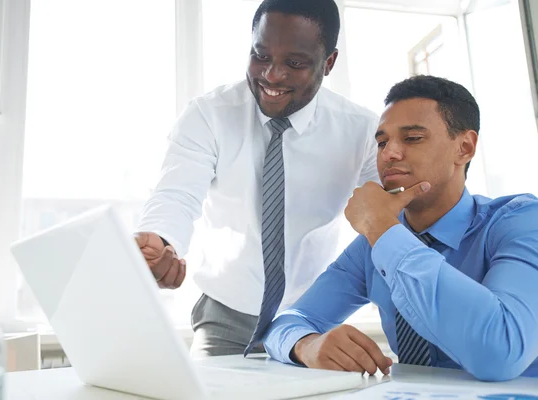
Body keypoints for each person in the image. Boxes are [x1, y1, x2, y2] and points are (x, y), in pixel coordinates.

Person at [134, 0, 380, 357]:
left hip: (311, 319)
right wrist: (160, 239)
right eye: (261, 55)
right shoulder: (210, 114)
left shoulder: (362, 131)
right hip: (225, 318)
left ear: (328, 63)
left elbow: (384, 222)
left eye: (294, 63)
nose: (272, 75)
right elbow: (176, 195)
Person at [263, 75, 538, 381]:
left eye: (412, 138)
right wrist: (307, 345)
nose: (388, 153)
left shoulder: (521, 222)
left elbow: (500, 353)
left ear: (464, 147)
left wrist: (382, 229)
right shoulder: (373, 245)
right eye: (382, 142)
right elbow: (288, 322)